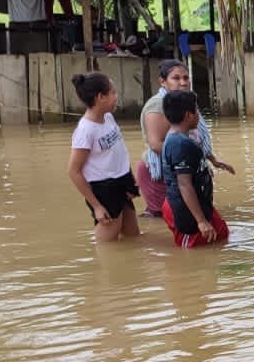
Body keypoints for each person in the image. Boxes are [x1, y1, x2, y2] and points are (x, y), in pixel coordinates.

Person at [138, 60, 234, 218]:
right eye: (176, 78)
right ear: (163, 82)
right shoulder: (156, 105)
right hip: (161, 172)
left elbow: (195, 137)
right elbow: (156, 144)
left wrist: (212, 159)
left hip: (183, 168)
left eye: (186, 78)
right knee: (166, 219)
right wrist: (192, 160)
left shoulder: (185, 101)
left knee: (184, 215)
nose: (183, 83)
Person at [67, 72, 140, 242]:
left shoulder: (108, 117)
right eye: (113, 93)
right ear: (101, 97)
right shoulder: (85, 130)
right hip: (104, 188)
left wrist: (130, 179)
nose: (116, 97)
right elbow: (73, 171)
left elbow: (118, 151)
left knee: (133, 236)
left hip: (121, 180)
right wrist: (97, 206)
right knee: (108, 247)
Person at [161, 90, 232, 248]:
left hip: (197, 200)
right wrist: (200, 221)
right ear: (188, 115)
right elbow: (184, 185)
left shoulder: (183, 139)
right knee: (195, 247)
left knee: (221, 233)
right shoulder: (178, 144)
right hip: (182, 206)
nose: (199, 115)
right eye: (197, 110)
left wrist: (213, 160)